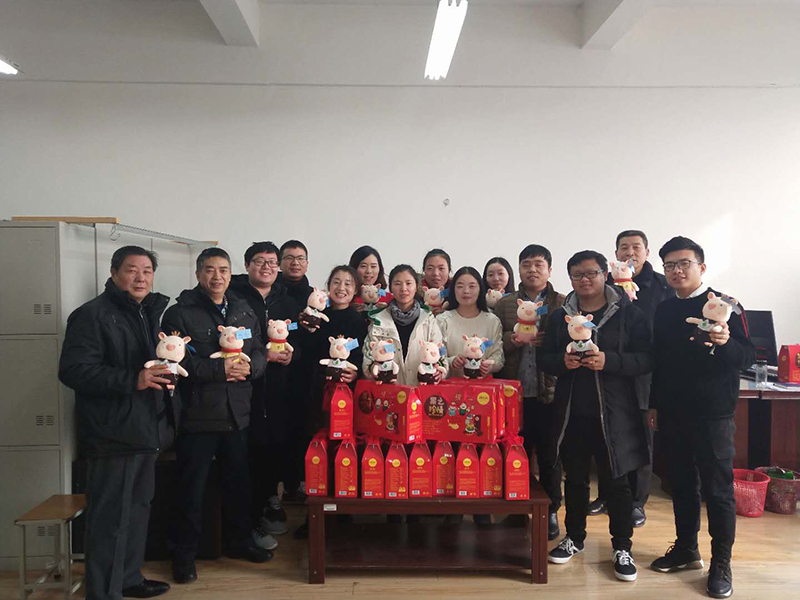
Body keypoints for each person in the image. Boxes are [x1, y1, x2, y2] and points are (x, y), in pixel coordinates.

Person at [59, 246, 174, 600]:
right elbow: (74, 371)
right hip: (113, 434)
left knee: (137, 511)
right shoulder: (92, 315)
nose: (140, 278)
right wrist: (133, 379)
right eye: (131, 270)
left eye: (147, 271)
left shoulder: (146, 313)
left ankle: (127, 579)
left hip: (145, 429)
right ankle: (103, 592)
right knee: (110, 519)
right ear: (113, 273)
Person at [648, 236, 754, 600]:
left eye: (684, 264)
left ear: (701, 267)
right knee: (680, 484)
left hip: (713, 414)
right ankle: (686, 548)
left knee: (718, 490)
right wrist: (654, 405)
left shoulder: (726, 305)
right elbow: (659, 362)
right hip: (673, 412)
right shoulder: (664, 309)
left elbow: (748, 358)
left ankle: (721, 562)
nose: (676, 271)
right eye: (669, 265)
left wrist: (725, 343)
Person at [540, 250, 652, 582]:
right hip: (572, 412)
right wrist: (563, 363)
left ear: (606, 274)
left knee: (616, 482)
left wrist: (610, 361)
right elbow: (545, 358)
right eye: (577, 275)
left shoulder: (629, 314)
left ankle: (622, 547)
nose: (584, 280)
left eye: (591, 273)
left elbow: (647, 359)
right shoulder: (560, 316)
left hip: (616, 414)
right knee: (575, 479)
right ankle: (574, 538)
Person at [162, 248, 270, 584]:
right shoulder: (180, 314)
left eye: (223, 269)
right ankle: (184, 555)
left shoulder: (243, 309)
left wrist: (252, 368)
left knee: (238, 484)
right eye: (210, 269)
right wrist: (219, 371)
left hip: (238, 413)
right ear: (198, 274)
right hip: (199, 416)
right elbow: (178, 362)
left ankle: (239, 542)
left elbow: (259, 350)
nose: (217, 276)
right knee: (191, 489)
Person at [588, 229, 671, 527]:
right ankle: (606, 495)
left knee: (640, 439)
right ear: (616, 254)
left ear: (647, 252)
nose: (630, 253)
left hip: (643, 373)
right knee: (606, 436)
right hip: (607, 371)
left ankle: (636, 501)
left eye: (636, 247)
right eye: (624, 248)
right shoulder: (604, 284)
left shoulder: (661, 286)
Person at [229, 242, 302, 551]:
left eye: (272, 262)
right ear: (247, 265)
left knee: (275, 446)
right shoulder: (234, 300)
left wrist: (293, 355)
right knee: (249, 454)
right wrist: (259, 357)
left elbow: (298, 338)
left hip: (279, 388)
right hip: (244, 388)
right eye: (260, 261)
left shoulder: (288, 302)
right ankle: (251, 519)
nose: (267, 267)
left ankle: (271, 501)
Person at [495, 244, 565, 540]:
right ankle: (516, 508)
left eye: (538, 264)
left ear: (549, 269)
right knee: (515, 453)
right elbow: (493, 344)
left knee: (549, 456)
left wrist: (548, 343)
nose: (532, 270)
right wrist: (513, 340)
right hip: (513, 395)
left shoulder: (562, 302)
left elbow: (572, 342)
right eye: (526, 264)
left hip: (549, 393)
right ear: (519, 269)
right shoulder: (505, 304)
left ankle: (550, 510)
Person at [293, 265, 368, 539]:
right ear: (327, 286)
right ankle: (314, 516)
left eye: (348, 283)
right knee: (316, 451)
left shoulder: (359, 322)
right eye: (336, 282)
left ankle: (344, 513)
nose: (341, 288)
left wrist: (355, 373)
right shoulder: (314, 316)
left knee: (343, 450)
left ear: (355, 289)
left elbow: (361, 357)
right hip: (314, 393)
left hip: (345, 397)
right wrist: (305, 329)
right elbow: (303, 352)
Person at [363, 264, 446, 386]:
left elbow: (441, 351)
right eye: (397, 284)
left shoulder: (428, 319)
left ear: (416, 287)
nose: (403, 289)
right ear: (391, 288)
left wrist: (440, 370)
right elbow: (368, 355)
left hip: (420, 391)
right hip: (388, 391)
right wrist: (372, 368)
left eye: (408, 283)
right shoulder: (378, 320)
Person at [437, 266, 504, 380]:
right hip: (450, 385)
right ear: (453, 290)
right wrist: (451, 361)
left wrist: (489, 365)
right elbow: (436, 355)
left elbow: (498, 356)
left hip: (483, 387)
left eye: (472, 286)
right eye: (460, 286)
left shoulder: (492, 321)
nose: (466, 291)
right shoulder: (442, 320)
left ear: (480, 289)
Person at [349, 245, 394, 311]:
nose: (369, 271)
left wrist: (387, 312)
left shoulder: (390, 299)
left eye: (373, 266)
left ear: (380, 269)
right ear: (354, 268)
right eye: (363, 266)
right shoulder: (346, 297)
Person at [277, 239, 313, 307]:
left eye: (300, 258)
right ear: (279, 264)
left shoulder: (313, 296)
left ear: (307, 264)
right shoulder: (268, 290)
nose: (295, 263)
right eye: (289, 258)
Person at [421, 248, 452, 316]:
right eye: (430, 268)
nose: (435, 273)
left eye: (441, 268)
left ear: (449, 270)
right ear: (424, 270)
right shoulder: (415, 293)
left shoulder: (457, 293)